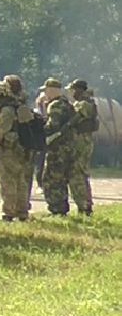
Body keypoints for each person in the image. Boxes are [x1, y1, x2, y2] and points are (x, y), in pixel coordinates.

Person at [0, 78, 36, 221]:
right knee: (21, 181)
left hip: (9, 150)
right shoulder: (21, 106)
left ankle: (8, 212)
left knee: (8, 181)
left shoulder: (7, 110)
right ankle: (22, 211)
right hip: (22, 150)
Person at [37, 79, 76, 216]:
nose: (45, 93)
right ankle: (62, 208)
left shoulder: (55, 105)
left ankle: (56, 209)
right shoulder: (67, 104)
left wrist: (38, 127)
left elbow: (51, 126)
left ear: (53, 90)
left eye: (46, 90)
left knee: (50, 179)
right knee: (61, 178)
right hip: (67, 146)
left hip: (56, 147)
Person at [68, 80, 99, 216]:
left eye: (73, 90)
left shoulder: (84, 104)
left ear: (79, 90)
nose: (72, 93)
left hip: (81, 142)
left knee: (77, 175)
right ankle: (86, 205)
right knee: (81, 174)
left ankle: (84, 206)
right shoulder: (87, 102)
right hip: (83, 141)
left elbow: (73, 121)